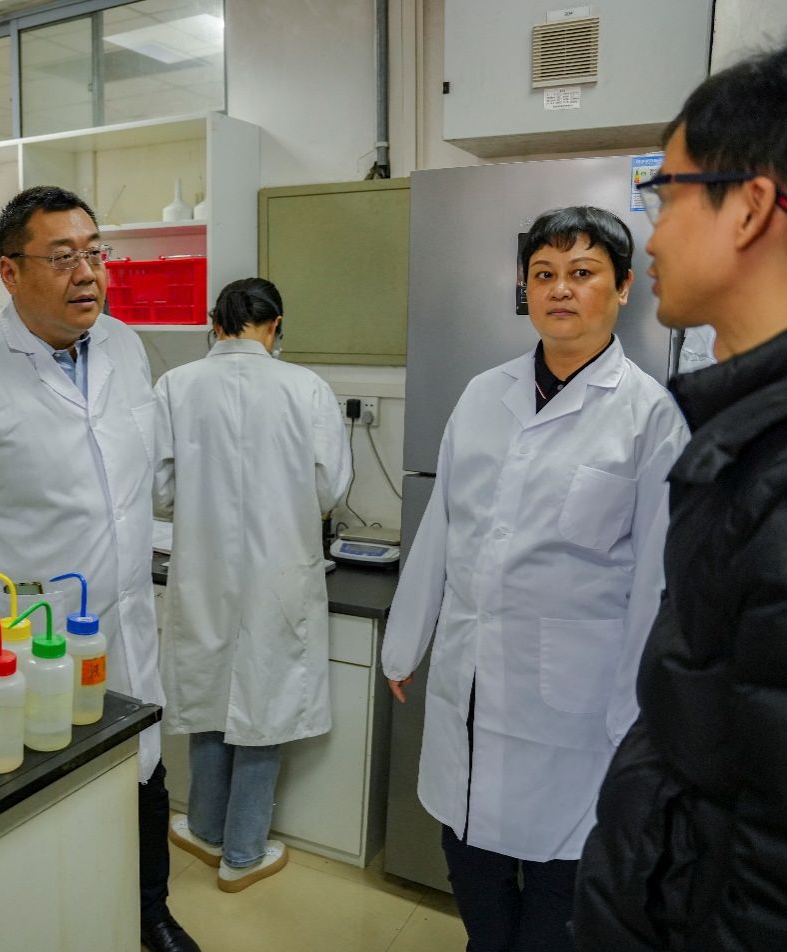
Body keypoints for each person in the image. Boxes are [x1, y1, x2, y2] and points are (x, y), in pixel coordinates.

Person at [381, 205, 687, 952]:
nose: (560, 289)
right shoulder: (483, 395)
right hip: (472, 683)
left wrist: (638, 716)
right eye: (543, 274)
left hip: (577, 705)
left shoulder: (649, 417)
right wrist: (405, 642)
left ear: (621, 288)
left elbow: (656, 585)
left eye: (582, 272)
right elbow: (442, 529)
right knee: (472, 861)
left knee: (560, 887)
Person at [0, 185, 199, 952]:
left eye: (95, 253)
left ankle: (151, 914)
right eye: (62, 257)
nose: (88, 273)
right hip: (27, 636)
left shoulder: (126, 348)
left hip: (123, 623)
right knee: (37, 793)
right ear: (10, 271)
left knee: (141, 768)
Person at [574, 46, 787, 952]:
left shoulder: (774, 475)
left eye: (666, 196)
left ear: (750, 207)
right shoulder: (742, 430)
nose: (653, 235)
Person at [152, 278, 350, 893]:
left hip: (202, 569)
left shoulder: (174, 386)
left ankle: (207, 830)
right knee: (266, 705)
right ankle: (242, 852)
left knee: (209, 696)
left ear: (215, 324)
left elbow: (158, 489)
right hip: (279, 574)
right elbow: (330, 489)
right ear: (276, 325)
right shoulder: (307, 388)